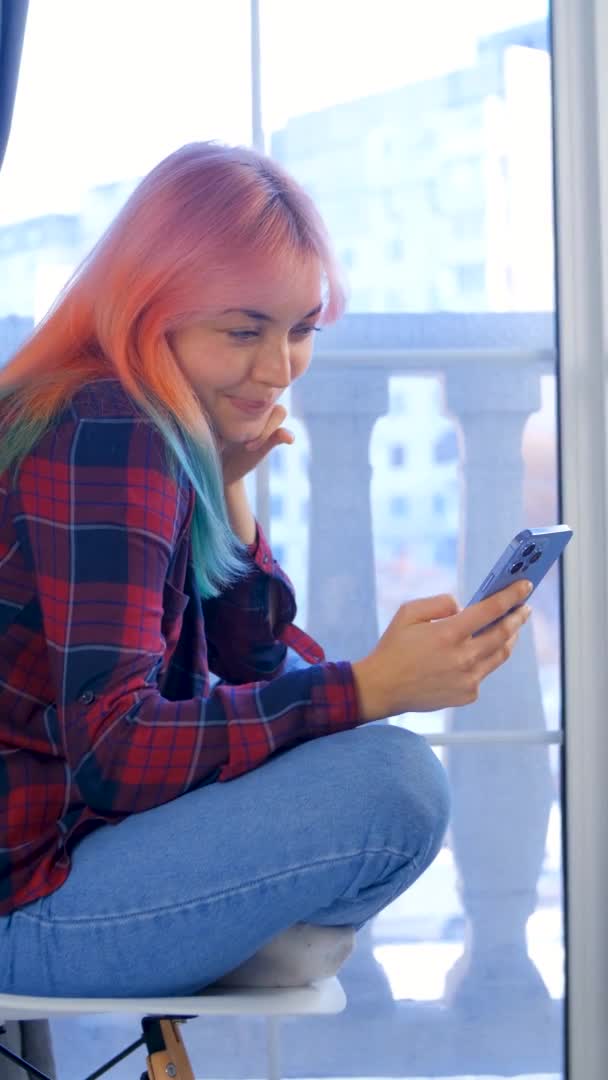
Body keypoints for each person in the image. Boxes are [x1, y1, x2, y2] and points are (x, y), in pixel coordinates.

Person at [0, 142, 531, 999]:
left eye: (301, 330)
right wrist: (367, 689)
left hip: (67, 857)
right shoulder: (109, 428)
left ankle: (221, 933)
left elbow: (251, 668)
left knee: (345, 740)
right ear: (149, 310)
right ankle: (231, 936)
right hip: (25, 908)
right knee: (396, 785)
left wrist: (226, 492)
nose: (278, 368)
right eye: (244, 331)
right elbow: (118, 748)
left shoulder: (149, 427)